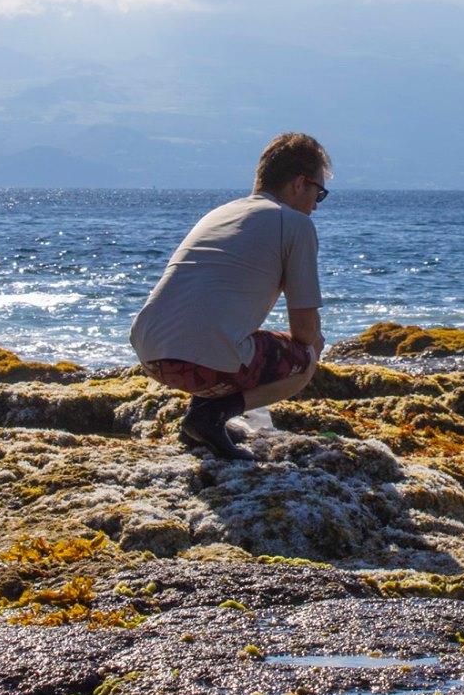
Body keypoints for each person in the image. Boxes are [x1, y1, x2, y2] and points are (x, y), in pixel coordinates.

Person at [130, 133, 329, 460]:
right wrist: (315, 344)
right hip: (204, 363)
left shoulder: (220, 213)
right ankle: (209, 416)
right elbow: (305, 331)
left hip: (150, 352)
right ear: (298, 183)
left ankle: (200, 421)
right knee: (303, 357)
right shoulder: (296, 225)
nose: (317, 205)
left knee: (229, 337)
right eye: (318, 192)